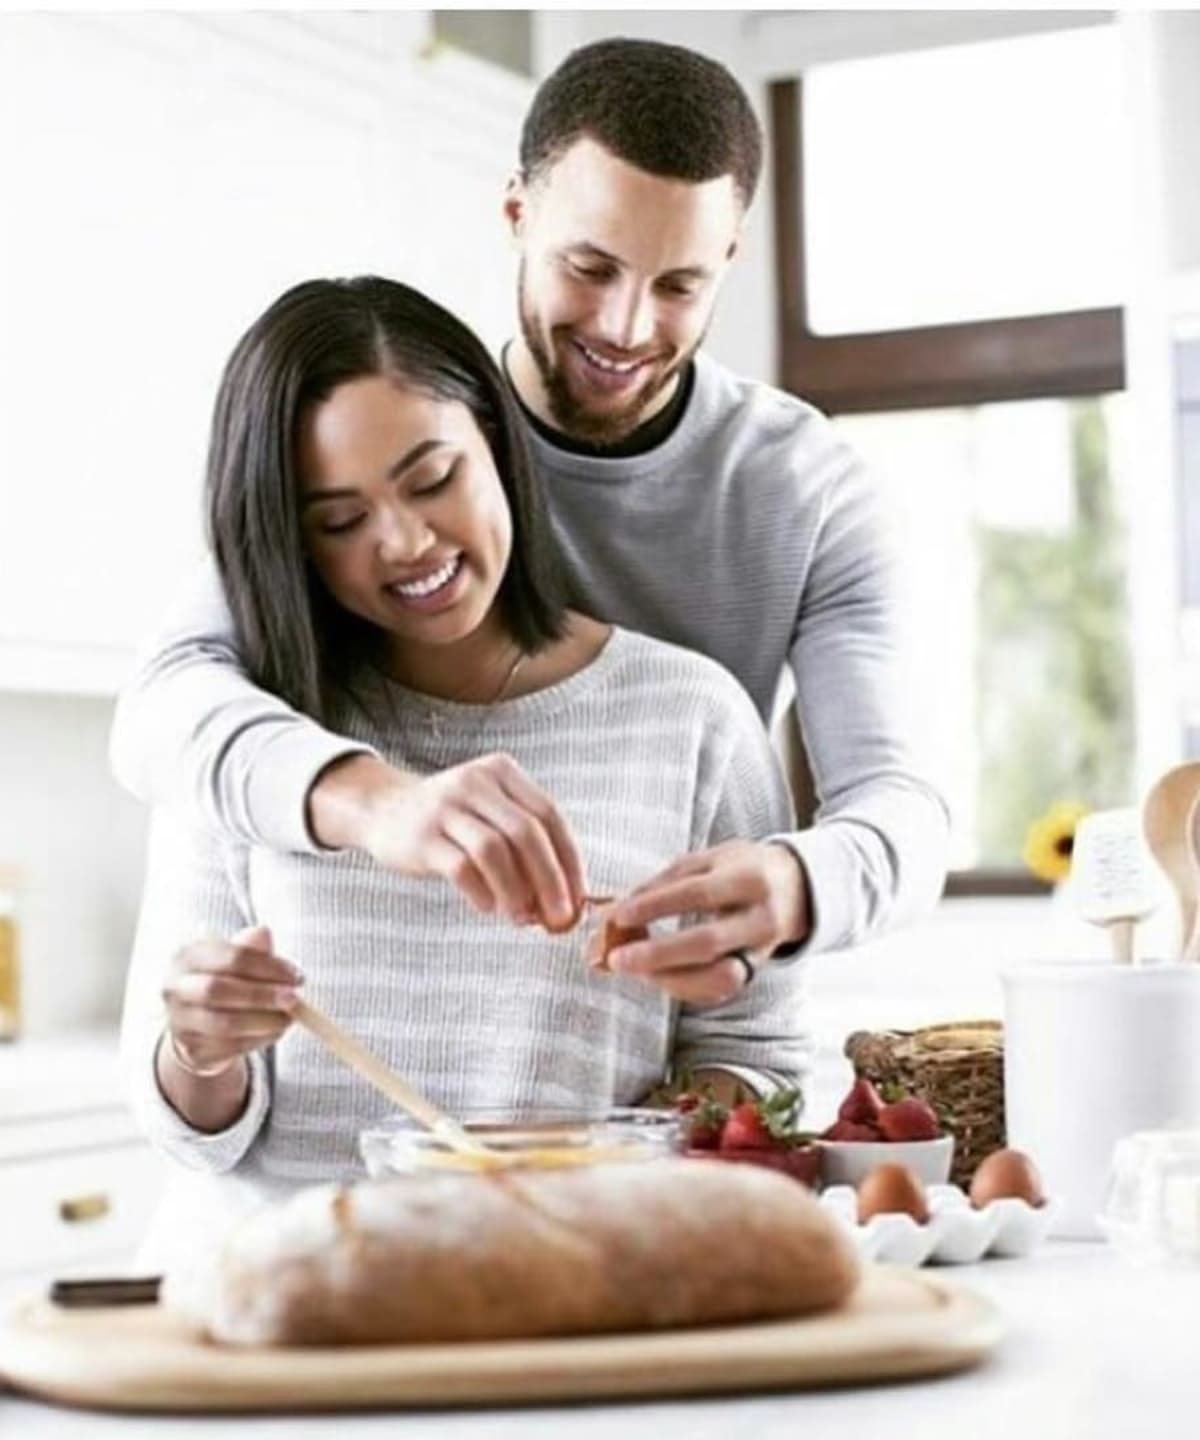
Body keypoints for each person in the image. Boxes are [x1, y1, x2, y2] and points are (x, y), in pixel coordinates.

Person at [111, 37, 949, 1014]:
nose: (628, 328)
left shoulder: (808, 491)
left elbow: (902, 813)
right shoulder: (406, 423)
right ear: (517, 211)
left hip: (629, 1037)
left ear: (732, 255)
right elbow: (159, 709)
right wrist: (377, 802)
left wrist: (795, 884)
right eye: (590, 267)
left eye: (679, 285)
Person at [121, 277, 806, 1258]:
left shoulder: (688, 717)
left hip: (559, 1285)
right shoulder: (250, 738)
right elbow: (188, 1126)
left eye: (432, 478)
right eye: (338, 521)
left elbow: (760, 1055)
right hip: (276, 1303)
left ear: (498, 441)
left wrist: (631, 1151)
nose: (403, 543)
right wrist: (199, 1044)